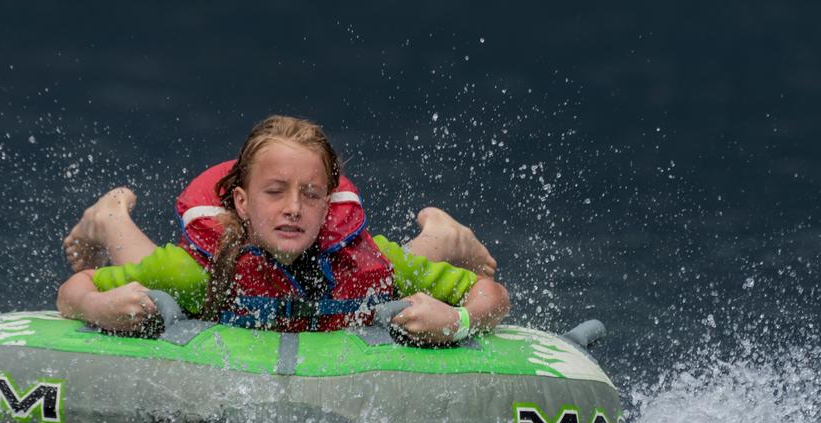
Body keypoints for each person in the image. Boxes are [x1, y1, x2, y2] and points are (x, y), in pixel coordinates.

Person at [57, 115, 508, 344]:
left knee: (395, 269)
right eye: (275, 192)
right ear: (241, 202)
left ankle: (442, 235)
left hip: (348, 262)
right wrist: (98, 307)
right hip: (217, 260)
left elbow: (493, 296)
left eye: (311, 194)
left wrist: (457, 320)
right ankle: (111, 217)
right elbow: (72, 292)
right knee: (149, 272)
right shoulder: (200, 271)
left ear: (328, 205)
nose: (293, 208)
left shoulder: (365, 263)